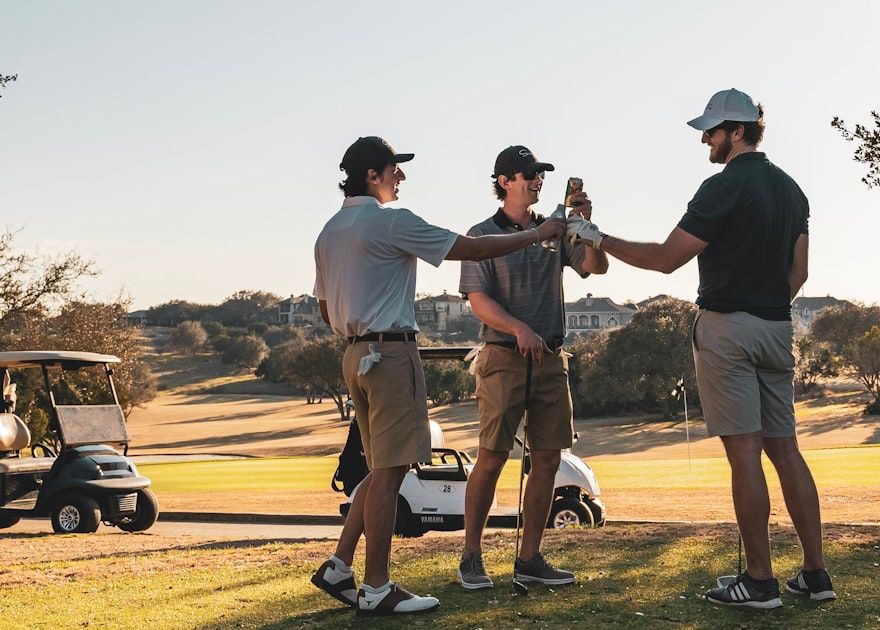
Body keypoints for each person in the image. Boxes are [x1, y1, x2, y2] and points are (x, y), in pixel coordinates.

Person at [566, 89, 836, 609]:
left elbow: (668, 258)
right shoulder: (793, 190)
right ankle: (815, 574)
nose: (704, 139)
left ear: (736, 131)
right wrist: (765, 308)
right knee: (786, 450)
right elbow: (799, 273)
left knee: (744, 454)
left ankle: (759, 582)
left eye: (710, 131)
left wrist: (596, 237)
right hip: (778, 328)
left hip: (727, 329)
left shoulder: (723, 186)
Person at [309, 136, 566, 617]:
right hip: (390, 354)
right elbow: (468, 248)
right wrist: (537, 234)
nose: (400, 176)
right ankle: (377, 586)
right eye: (393, 169)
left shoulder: (329, 230)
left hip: (353, 354)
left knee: (379, 467)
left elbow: (326, 310)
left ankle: (340, 566)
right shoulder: (390, 221)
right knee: (391, 472)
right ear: (372, 175)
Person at [455, 146, 607, 590]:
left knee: (547, 459)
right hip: (503, 357)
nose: (538, 180)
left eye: (541, 174)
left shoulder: (556, 229)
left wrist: (588, 229)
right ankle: (471, 557)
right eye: (529, 174)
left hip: (551, 359)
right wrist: (519, 327)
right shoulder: (480, 234)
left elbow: (595, 269)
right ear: (504, 181)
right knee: (492, 456)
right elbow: (479, 302)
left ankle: (531, 559)